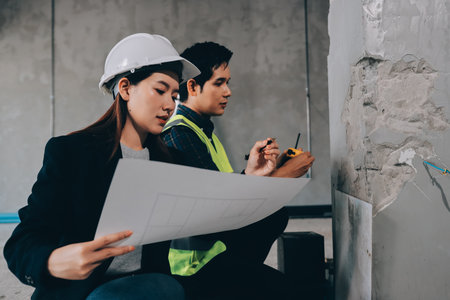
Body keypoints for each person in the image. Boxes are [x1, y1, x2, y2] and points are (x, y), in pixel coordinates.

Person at [3, 33, 201, 300]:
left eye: (175, 95)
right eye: (160, 90)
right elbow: (23, 242)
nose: (169, 105)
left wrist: (255, 178)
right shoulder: (72, 153)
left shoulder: (174, 161)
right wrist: (52, 261)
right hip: (81, 293)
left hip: (149, 288)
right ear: (126, 88)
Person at [161, 42, 315, 299]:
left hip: (215, 251)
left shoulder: (201, 129)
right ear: (192, 86)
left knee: (274, 216)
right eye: (219, 83)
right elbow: (214, 213)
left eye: (228, 82)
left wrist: (252, 174)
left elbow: (218, 192)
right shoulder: (179, 134)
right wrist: (284, 175)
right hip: (193, 268)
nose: (228, 92)